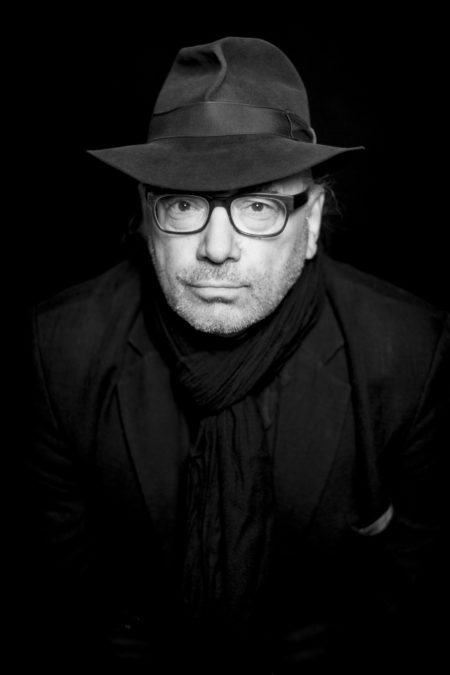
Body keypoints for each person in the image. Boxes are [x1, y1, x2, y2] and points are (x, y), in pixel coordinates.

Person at [24, 36, 448, 672]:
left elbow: (410, 584)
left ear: (311, 222)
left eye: (258, 205)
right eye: (183, 203)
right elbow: (69, 587)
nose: (217, 249)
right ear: (146, 216)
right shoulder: (61, 348)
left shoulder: (408, 351)